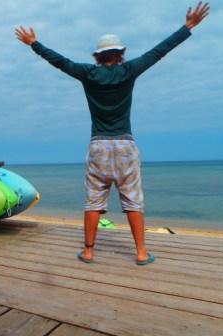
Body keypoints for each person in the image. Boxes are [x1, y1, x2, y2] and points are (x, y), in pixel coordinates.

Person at [15, 2, 210, 265]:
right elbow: (158, 52)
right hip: (125, 145)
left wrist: (34, 44)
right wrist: (187, 27)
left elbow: (61, 62)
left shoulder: (88, 73)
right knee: (133, 200)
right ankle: (141, 253)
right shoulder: (128, 71)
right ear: (120, 54)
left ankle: (88, 251)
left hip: (98, 146)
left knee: (94, 201)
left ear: (98, 56)